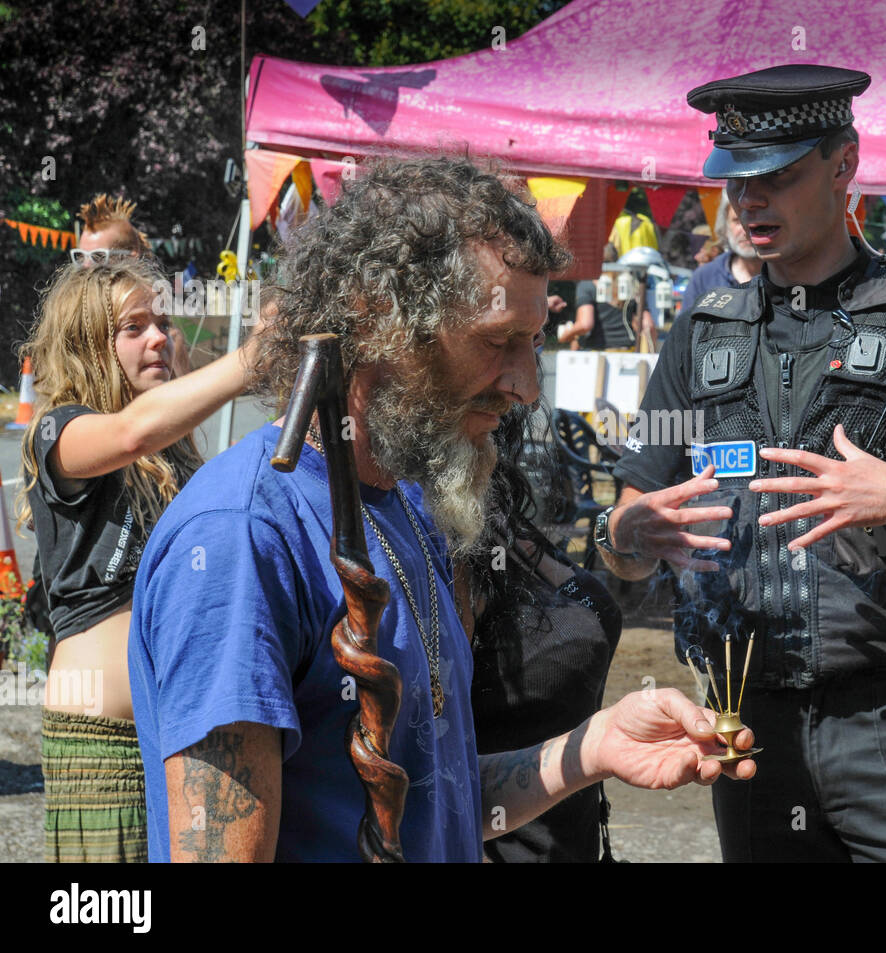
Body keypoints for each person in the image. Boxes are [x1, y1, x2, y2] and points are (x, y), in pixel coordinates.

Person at [128, 156, 753, 863]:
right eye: (497, 342)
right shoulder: (241, 541)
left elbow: (433, 800)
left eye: (534, 341)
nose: (525, 387)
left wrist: (595, 745)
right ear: (382, 323)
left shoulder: (411, 508)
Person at [598, 64, 886, 862]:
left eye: (776, 177)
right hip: (745, 728)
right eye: (735, 180)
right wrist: (632, 533)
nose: (749, 201)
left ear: (844, 166)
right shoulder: (700, 332)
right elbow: (623, 525)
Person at [16, 258, 258, 861]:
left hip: (174, 726)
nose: (159, 338)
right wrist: (253, 357)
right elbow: (130, 434)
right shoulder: (59, 432)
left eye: (163, 322)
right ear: (87, 347)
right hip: (104, 742)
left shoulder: (173, 450)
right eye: (133, 328)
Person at [463, 407, 623, 862]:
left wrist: (621, 533)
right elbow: (426, 776)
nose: (528, 378)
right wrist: (593, 750)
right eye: (500, 342)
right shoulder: (440, 540)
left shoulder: (501, 515)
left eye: (535, 344)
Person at [73, 195, 192, 377]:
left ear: (130, 257)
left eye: (98, 257)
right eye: (80, 257)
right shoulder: (72, 322)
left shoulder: (168, 340)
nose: (86, 267)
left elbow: (186, 399)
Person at [677, 192, 763, 316]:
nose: (745, 230)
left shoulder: (785, 275)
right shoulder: (704, 278)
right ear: (726, 227)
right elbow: (684, 332)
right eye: (737, 220)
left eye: (753, 219)